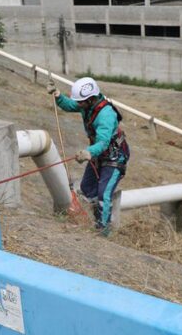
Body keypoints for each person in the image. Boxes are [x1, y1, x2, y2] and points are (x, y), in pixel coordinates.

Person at [48, 77, 129, 233]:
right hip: (99, 156)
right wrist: (58, 95)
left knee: (103, 193)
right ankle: (97, 217)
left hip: (114, 157)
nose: (78, 104)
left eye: (81, 102)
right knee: (87, 188)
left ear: (90, 99)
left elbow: (104, 142)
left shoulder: (105, 115)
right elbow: (71, 105)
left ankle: (103, 230)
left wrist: (88, 152)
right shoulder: (88, 105)